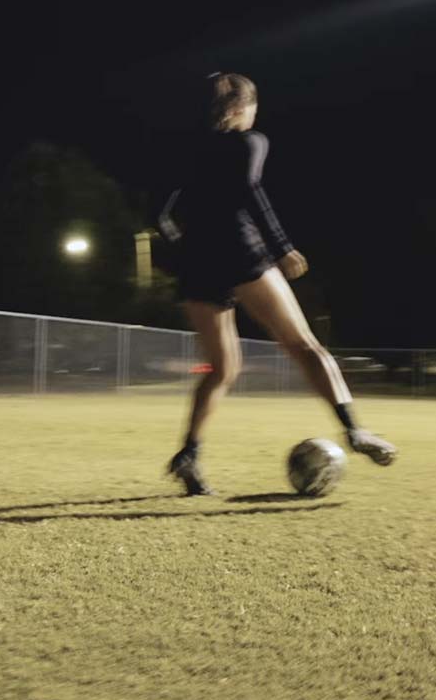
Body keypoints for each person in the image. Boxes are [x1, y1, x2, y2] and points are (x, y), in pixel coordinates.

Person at [158, 72, 397, 496]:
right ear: (237, 110)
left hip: (198, 264)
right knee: (304, 345)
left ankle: (189, 455)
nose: (254, 117)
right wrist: (283, 246)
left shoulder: (187, 152)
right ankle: (355, 431)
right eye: (251, 110)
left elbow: (161, 214)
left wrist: (184, 250)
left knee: (222, 369)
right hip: (241, 252)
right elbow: (250, 189)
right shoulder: (250, 142)